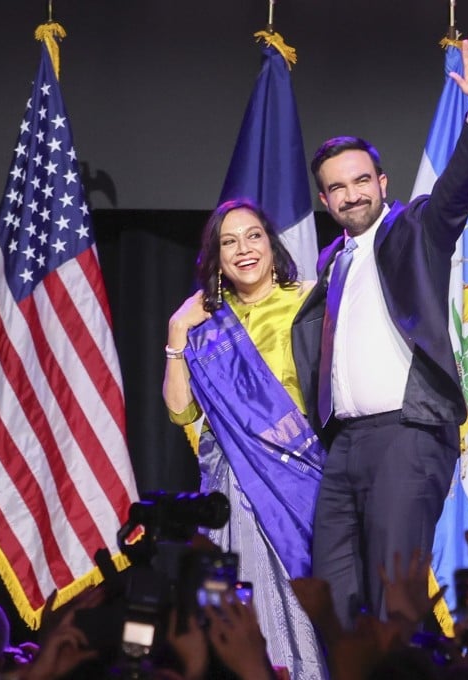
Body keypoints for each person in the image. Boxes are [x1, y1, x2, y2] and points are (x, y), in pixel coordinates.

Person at [291, 33, 468, 628]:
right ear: (325, 200)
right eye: (337, 187)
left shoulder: (416, 231)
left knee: (394, 596)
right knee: (330, 596)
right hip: (344, 445)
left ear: (382, 184)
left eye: (361, 181)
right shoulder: (331, 262)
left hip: (407, 437)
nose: (351, 193)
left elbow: (457, 188)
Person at [163, 198, 328, 679]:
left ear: (272, 246)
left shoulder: (311, 301)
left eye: (253, 235)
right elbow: (180, 412)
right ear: (216, 257)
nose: (243, 249)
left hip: (298, 477)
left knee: (300, 589)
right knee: (239, 586)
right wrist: (176, 335)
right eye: (228, 241)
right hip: (230, 476)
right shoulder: (205, 322)